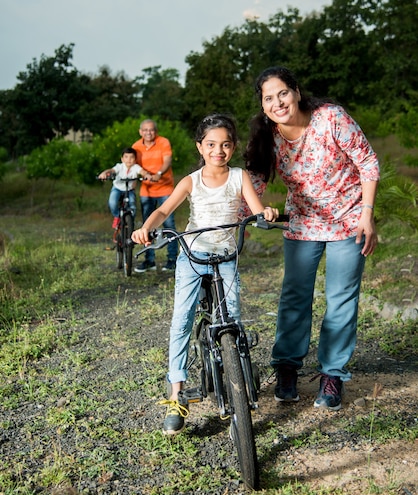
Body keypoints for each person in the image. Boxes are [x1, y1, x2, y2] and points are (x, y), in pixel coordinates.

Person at [131, 113, 279, 435]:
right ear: (200, 147)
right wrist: (146, 228)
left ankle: (236, 380)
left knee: (234, 320)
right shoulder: (191, 180)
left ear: (233, 147)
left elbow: (255, 208)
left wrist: (264, 213)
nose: (219, 150)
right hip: (193, 256)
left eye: (226, 144)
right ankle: (176, 394)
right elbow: (163, 210)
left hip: (226, 256)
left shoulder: (240, 177)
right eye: (211, 144)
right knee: (182, 320)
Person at [243, 66, 380, 411]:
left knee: (341, 300)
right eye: (269, 98)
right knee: (294, 297)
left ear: (297, 92)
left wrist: (367, 215)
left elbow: (367, 162)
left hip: (348, 223)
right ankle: (287, 369)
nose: (278, 103)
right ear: (263, 106)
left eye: (283, 93)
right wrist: (232, 217)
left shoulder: (330, 118)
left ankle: (332, 374)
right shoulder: (268, 137)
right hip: (302, 225)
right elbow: (251, 185)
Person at [132, 119, 178, 272]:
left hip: (165, 189)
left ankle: (172, 259)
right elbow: (133, 164)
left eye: (151, 130)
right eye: (145, 130)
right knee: (147, 226)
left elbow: (167, 161)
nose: (148, 132)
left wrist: (159, 173)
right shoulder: (136, 146)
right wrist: (143, 173)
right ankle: (149, 260)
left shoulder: (163, 142)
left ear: (155, 131)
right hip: (147, 190)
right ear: (140, 132)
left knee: (169, 225)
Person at [98, 147, 142, 236]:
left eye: (131, 157)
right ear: (122, 159)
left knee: (132, 205)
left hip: (129, 190)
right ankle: (117, 216)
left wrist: (148, 175)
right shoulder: (119, 166)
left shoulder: (136, 167)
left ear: (135, 159)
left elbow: (143, 172)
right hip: (117, 188)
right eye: (126, 157)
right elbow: (111, 170)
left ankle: (130, 224)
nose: (129, 160)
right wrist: (105, 173)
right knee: (112, 202)